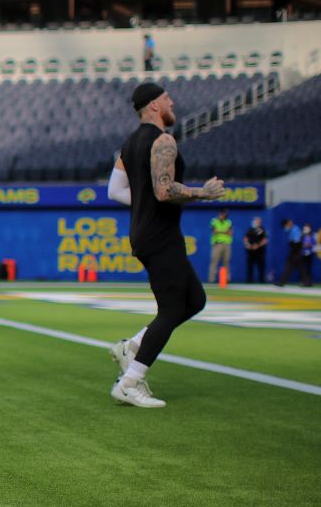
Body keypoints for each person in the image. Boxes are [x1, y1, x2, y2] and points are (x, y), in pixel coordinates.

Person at [107, 83, 224, 408]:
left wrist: (143, 206)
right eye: (167, 98)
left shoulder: (129, 144)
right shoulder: (163, 140)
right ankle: (129, 382)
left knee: (195, 299)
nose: (173, 102)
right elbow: (163, 191)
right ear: (155, 105)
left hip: (147, 232)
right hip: (159, 235)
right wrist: (203, 192)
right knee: (172, 308)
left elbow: (114, 191)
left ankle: (132, 346)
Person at [275, 219, 310, 287]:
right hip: (296, 250)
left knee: (289, 266)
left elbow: (297, 241)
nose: (285, 227)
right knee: (300, 267)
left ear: (289, 223)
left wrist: (295, 252)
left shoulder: (295, 229)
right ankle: (307, 282)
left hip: (295, 250)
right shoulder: (293, 229)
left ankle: (282, 282)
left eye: (286, 225)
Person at [208, 208, 233, 283]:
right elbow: (214, 232)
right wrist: (224, 232)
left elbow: (230, 233)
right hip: (217, 244)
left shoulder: (229, 222)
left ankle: (227, 279)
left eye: (224, 214)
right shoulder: (214, 221)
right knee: (214, 261)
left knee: (226, 261)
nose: (222, 215)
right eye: (222, 214)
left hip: (226, 244)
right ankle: (211, 279)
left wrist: (220, 232)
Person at [243, 217, 268, 284]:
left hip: (259, 251)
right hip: (251, 250)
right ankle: (249, 280)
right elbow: (245, 238)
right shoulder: (250, 230)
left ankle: (262, 280)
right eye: (255, 220)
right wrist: (247, 244)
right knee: (250, 265)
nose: (255, 222)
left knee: (261, 265)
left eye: (257, 221)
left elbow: (265, 240)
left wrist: (257, 245)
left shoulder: (262, 230)